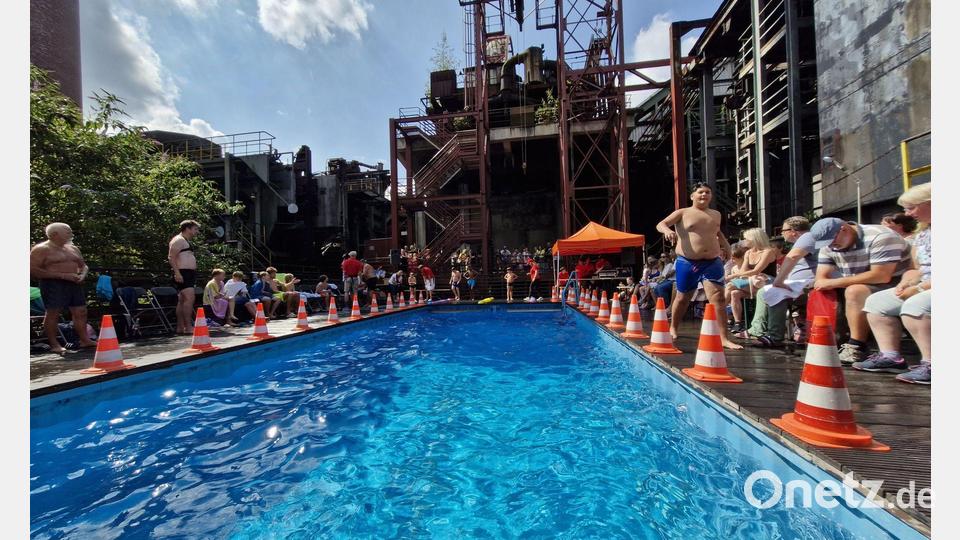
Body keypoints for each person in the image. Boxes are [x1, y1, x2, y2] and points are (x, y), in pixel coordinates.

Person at [854, 183, 931, 383]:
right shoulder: (922, 235)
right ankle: (891, 356)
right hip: (924, 284)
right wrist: (907, 281)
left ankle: (932, 363)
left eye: (911, 207)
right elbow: (915, 267)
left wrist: (920, 288)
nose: (907, 213)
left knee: (917, 305)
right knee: (877, 302)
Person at [810, 217, 913, 364]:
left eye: (832, 241)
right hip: (862, 283)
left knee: (854, 291)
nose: (831, 246)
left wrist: (834, 282)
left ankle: (857, 345)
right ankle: (830, 339)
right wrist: (829, 283)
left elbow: (881, 275)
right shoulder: (829, 245)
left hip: (898, 283)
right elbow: (821, 279)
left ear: (844, 229)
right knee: (829, 291)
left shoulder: (880, 236)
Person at [655, 182, 739, 349]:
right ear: (693, 196)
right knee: (683, 298)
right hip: (687, 261)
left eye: (707, 192)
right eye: (700, 192)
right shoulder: (683, 212)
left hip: (712, 262)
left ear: (711, 196)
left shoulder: (716, 214)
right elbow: (661, 224)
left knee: (719, 298)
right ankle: (673, 327)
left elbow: (718, 232)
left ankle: (723, 337)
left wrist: (727, 246)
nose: (704, 195)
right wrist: (667, 231)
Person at [749, 217, 816, 347]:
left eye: (783, 230)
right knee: (767, 290)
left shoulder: (806, 238)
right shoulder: (804, 240)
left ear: (793, 231)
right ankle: (759, 331)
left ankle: (771, 335)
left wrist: (778, 281)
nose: (781, 233)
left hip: (805, 284)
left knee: (772, 291)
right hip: (798, 284)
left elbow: (792, 257)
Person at [30, 222, 96, 354]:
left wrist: (82, 275)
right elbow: (32, 270)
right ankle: (54, 344)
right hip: (52, 283)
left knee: (81, 311)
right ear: (55, 234)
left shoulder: (73, 248)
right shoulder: (41, 249)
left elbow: (84, 266)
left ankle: (84, 339)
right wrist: (62, 276)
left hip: (74, 283)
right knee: (53, 312)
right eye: (67, 231)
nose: (71, 234)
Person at [724, 228, 779, 337]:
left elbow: (756, 270)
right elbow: (744, 271)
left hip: (766, 282)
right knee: (734, 293)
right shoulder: (749, 252)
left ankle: (716, 312)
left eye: (746, 239)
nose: (744, 241)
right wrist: (750, 272)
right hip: (752, 282)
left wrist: (733, 275)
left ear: (754, 239)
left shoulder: (768, 252)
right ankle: (738, 322)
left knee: (730, 285)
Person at [168, 219, 200, 335]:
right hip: (183, 272)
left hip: (188, 273)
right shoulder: (178, 240)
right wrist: (177, 273)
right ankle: (188, 327)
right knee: (189, 299)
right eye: (195, 229)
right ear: (188, 228)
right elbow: (171, 257)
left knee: (182, 300)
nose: (197, 231)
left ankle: (180, 327)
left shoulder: (185, 240)